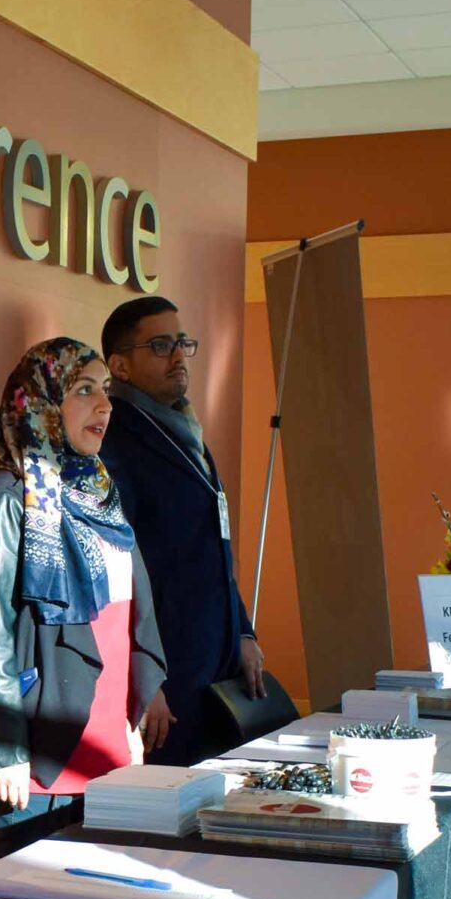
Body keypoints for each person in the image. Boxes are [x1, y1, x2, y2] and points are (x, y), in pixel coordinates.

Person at [0, 338, 171, 862]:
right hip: (37, 769)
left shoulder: (102, 497)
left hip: (108, 756)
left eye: (106, 391)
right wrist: (4, 752)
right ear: (42, 402)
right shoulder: (10, 500)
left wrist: (134, 715)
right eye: (83, 390)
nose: (104, 405)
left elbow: (129, 622)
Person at [100, 295, 264, 764]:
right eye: (159, 345)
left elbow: (215, 547)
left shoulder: (187, 432)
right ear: (121, 365)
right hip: (169, 680)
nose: (177, 356)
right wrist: (143, 679)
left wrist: (245, 634)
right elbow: (119, 575)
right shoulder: (115, 442)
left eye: (181, 343)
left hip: (219, 667)